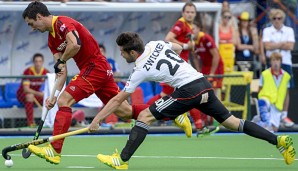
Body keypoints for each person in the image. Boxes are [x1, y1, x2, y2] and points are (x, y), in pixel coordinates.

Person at [89, 32, 295, 170]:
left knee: (145, 115)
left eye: (123, 52)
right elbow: (178, 48)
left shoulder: (139, 69)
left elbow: (117, 101)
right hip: (202, 82)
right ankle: (278, 141)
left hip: (189, 89)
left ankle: (122, 160)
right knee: (233, 122)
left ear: (132, 52)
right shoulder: (155, 44)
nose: (123, 55)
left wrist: (97, 119)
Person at [23, 2, 191, 165]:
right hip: (99, 70)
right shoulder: (52, 41)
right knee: (125, 112)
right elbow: (61, 71)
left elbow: (75, 44)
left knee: (64, 101)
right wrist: (53, 95)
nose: (32, 28)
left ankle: (54, 150)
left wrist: (62, 62)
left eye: (31, 24)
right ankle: (172, 113)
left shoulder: (62, 23)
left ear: (38, 16)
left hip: (95, 67)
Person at [147, 2, 207, 135]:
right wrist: (185, 46)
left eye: (192, 12)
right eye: (187, 12)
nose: (190, 14)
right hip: (175, 68)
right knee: (168, 95)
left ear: (195, 14)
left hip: (181, 66)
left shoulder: (189, 26)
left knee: (189, 94)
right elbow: (168, 39)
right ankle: (140, 114)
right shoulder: (181, 24)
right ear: (183, 13)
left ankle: (199, 126)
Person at [262, 8, 296, 127]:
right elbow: (267, 46)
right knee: (270, 89)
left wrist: (274, 45)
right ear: (271, 19)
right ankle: (272, 114)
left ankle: (284, 115)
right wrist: (282, 44)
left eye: (279, 18)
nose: (277, 21)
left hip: (286, 63)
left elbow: (290, 46)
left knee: (285, 89)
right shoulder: (267, 30)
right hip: (271, 63)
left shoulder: (289, 30)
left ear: (283, 19)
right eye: (274, 18)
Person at [192, 21, 224, 136]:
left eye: (194, 28)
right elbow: (195, 57)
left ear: (199, 28)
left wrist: (212, 73)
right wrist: (199, 71)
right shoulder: (193, 41)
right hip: (205, 67)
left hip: (216, 67)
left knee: (214, 94)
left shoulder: (206, 38)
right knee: (203, 94)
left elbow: (216, 55)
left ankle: (217, 121)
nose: (192, 31)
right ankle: (206, 122)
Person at [252, 52, 290, 132]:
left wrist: (284, 112)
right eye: (273, 60)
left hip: (277, 105)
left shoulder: (286, 76)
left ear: (281, 62)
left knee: (274, 130)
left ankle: (257, 122)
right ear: (270, 62)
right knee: (267, 126)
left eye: (277, 60)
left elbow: (286, 95)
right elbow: (260, 89)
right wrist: (260, 99)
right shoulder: (265, 74)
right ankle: (264, 120)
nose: (276, 62)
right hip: (266, 100)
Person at [17, 53, 49, 127]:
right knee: (30, 96)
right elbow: (26, 89)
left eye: (40, 61)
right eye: (36, 61)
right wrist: (39, 94)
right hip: (22, 95)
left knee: (50, 98)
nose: (38, 63)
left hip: (35, 95)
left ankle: (50, 121)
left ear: (43, 62)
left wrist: (44, 94)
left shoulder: (46, 72)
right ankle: (30, 123)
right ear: (33, 62)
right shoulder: (27, 71)